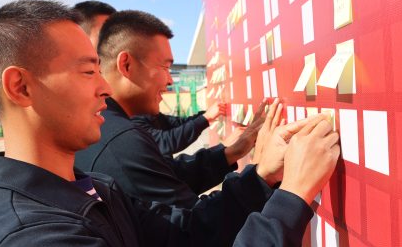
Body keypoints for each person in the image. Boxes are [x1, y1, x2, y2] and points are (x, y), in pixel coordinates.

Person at [0, 0, 339, 247]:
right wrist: (293, 196)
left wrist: (261, 178)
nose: (105, 87)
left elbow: (186, 233)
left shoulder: (91, 191)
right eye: (88, 71)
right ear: (21, 87)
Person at [75, 10, 269, 208]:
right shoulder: (120, 142)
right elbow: (193, 227)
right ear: (126, 65)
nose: (169, 80)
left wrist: (228, 153)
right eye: (165, 67)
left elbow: (164, 174)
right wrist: (261, 176)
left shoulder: (106, 124)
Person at [74, 0, 225, 156]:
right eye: (105, 33)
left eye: (114, 31)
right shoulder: (111, 132)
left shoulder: (134, 110)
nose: (169, 81)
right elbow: (165, 145)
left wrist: (227, 153)